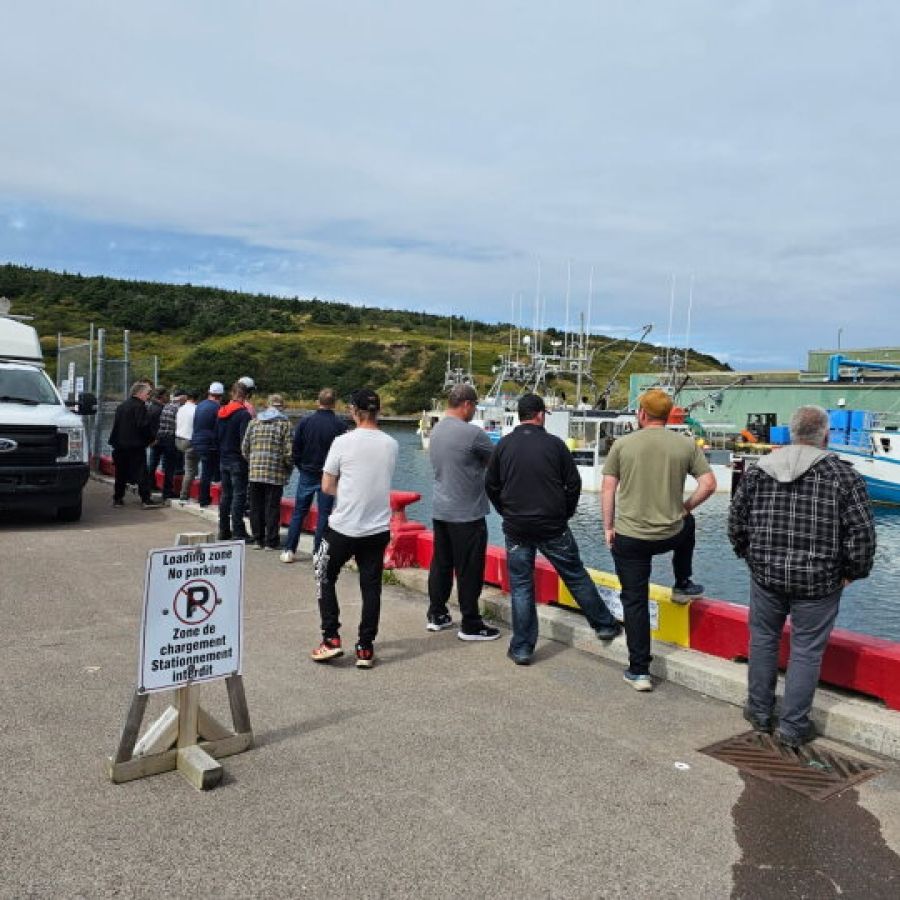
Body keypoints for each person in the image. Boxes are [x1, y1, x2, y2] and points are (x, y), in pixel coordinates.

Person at [728, 405, 876, 747]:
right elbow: (863, 534)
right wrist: (852, 573)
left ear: (792, 432)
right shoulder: (844, 476)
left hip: (766, 576)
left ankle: (760, 713)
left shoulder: (758, 472)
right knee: (806, 651)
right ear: (825, 434)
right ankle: (793, 728)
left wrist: (751, 557)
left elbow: (736, 523)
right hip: (819, 581)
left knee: (763, 640)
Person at [485, 393, 621, 666]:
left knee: (522, 586)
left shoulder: (504, 446)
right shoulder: (555, 445)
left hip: (517, 526)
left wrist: (506, 512)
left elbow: (491, 485)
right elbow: (573, 485)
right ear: (539, 414)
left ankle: (523, 648)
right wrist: (565, 513)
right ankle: (604, 624)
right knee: (574, 574)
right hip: (552, 524)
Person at [601, 388, 717, 692]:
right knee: (688, 523)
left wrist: (608, 527)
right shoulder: (685, 444)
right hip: (669, 534)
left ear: (641, 413)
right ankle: (682, 582)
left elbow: (608, 489)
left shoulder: (623, 444)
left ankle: (640, 671)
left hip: (630, 538)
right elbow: (708, 484)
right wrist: (686, 507)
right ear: (667, 416)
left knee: (635, 600)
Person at [311, 388, 398, 669]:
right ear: (378, 411)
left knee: (324, 573)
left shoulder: (342, 442)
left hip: (344, 526)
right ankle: (365, 647)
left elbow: (326, 486)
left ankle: (331, 638)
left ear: (353, 411)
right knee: (371, 588)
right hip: (377, 529)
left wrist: (346, 494)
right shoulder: (391, 444)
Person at [427, 384, 500, 641]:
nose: (475, 410)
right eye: (475, 405)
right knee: (469, 569)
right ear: (467, 404)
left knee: (441, 563)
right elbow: (497, 461)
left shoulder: (435, 430)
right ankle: (471, 623)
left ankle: (437, 614)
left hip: (441, 509)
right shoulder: (472, 434)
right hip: (467, 513)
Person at [281, 387, 346, 563]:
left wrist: (302, 467)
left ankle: (289, 550)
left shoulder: (305, 422)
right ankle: (318, 552)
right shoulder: (340, 425)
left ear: (318, 402)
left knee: (299, 512)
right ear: (334, 403)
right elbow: (343, 454)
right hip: (329, 474)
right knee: (324, 514)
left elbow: (296, 449)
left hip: (307, 472)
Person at [242, 394, 293, 550]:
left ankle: (258, 540)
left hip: (255, 472)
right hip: (275, 473)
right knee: (272, 507)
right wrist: (288, 467)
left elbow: (244, 448)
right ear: (281, 407)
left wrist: (253, 463)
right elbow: (289, 452)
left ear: (268, 405)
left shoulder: (253, 422)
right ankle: (271, 541)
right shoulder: (285, 424)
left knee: (256, 506)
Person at [108, 382, 161, 508]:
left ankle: (118, 498)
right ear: (140, 393)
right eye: (148, 394)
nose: (149, 397)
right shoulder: (140, 407)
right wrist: (151, 439)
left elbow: (117, 426)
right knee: (141, 472)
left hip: (120, 444)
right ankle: (145, 499)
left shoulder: (122, 406)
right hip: (135, 446)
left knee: (121, 473)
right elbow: (143, 426)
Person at [215, 381, 254, 542]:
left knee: (226, 495)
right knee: (239, 496)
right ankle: (238, 531)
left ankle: (223, 530)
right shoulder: (243, 414)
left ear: (232, 393)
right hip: (237, 459)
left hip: (223, 457)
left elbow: (216, 435)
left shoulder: (221, 411)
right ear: (245, 396)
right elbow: (244, 439)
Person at [192, 382, 224, 507]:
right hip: (209, 443)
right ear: (219, 396)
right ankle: (204, 499)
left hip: (197, 441)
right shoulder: (217, 408)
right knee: (208, 471)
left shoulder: (199, 405)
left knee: (205, 470)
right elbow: (218, 428)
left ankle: (203, 497)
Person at [152, 388, 185, 501]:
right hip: (170, 439)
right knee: (170, 467)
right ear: (182, 398)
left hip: (160, 437)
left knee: (155, 463)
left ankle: (150, 486)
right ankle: (167, 492)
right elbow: (180, 426)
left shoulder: (166, 406)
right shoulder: (179, 409)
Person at [175, 389, 198, 503]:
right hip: (189, 442)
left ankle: (186, 490)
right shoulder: (196, 410)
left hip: (178, 440)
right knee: (190, 470)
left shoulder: (180, 409)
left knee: (187, 468)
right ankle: (183, 495)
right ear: (196, 399)